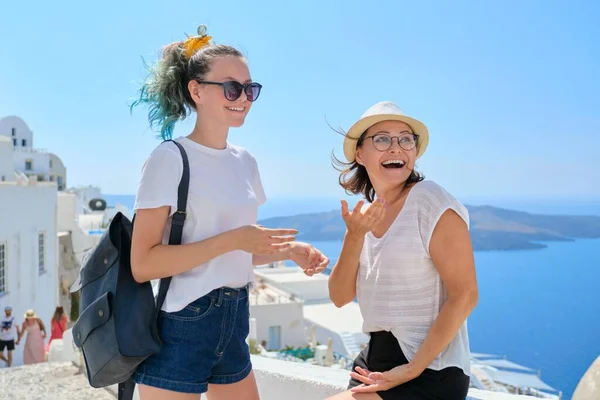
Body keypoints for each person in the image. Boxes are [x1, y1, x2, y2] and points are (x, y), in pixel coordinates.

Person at [129, 25, 329, 400]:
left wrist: (287, 252)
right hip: (183, 322)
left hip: (235, 319)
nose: (244, 98)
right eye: (232, 88)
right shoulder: (169, 159)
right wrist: (232, 240)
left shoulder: (246, 162)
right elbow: (143, 264)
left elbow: (238, 252)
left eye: (249, 89)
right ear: (196, 90)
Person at [327, 101, 478, 400]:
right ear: (360, 153)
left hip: (431, 372)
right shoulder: (366, 216)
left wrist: (411, 370)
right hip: (374, 364)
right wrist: (354, 236)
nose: (396, 148)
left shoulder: (430, 200)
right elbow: (340, 296)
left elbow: (466, 295)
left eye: (406, 139)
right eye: (382, 139)